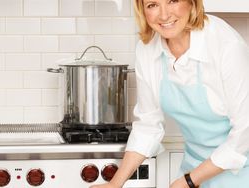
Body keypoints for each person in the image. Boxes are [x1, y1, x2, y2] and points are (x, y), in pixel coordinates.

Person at [90, 0, 249, 187]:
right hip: (194, 166)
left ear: (192, 3)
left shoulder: (226, 45)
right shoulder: (147, 49)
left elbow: (244, 134)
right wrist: (114, 184)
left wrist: (189, 181)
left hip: (241, 170)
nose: (164, 15)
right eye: (152, 5)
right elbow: (148, 126)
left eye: (172, 1)